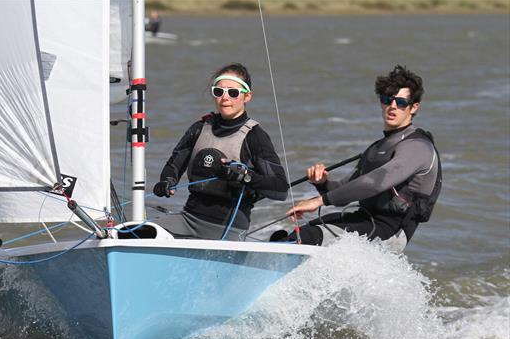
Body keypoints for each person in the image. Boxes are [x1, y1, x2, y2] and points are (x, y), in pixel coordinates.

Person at [278, 65, 442, 251]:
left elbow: (376, 182)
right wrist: (323, 183)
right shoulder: (377, 148)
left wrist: (318, 201)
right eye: (387, 99)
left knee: (309, 236)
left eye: (401, 102)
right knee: (300, 232)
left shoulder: (418, 147)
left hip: (391, 231)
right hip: (365, 219)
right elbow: (343, 190)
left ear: (414, 107)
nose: (393, 106)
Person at [152, 63, 289, 240]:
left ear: (247, 96)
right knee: (136, 233)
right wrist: (166, 181)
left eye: (233, 93)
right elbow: (174, 166)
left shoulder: (255, 136)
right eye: (219, 92)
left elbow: (280, 190)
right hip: (189, 219)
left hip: (228, 228)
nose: (225, 98)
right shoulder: (199, 128)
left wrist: (245, 176)